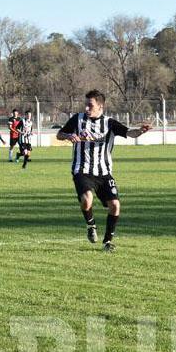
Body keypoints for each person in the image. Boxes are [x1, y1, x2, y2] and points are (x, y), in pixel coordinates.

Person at [56, 90, 151, 252]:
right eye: (85, 104)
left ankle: (107, 241)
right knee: (87, 199)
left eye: (90, 105)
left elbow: (130, 133)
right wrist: (68, 136)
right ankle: (91, 225)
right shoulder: (77, 119)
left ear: (100, 106)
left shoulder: (110, 123)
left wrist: (140, 131)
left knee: (115, 205)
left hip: (104, 172)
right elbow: (59, 134)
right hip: (82, 169)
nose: (86, 108)